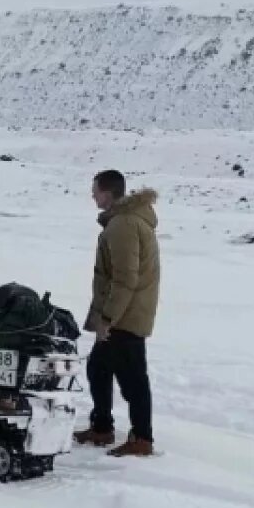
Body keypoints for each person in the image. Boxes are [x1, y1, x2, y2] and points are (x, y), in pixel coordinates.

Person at [75, 170, 161, 457]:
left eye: (95, 190)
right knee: (99, 368)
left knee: (132, 378)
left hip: (126, 316)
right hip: (128, 312)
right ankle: (102, 427)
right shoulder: (126, 221)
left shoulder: (123, 225)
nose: (92, 196)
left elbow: (125, 278)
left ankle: (141, 438)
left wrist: (108, 319)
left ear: (108, 193)